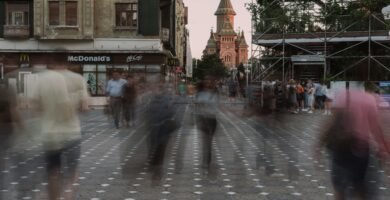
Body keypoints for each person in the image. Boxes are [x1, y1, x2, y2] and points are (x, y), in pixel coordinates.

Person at [314, 83, 390, 200]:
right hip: (361, 149)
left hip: (340, 147)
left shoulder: (343, 96)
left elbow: (331, 122)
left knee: (339, 189)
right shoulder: (370, 100)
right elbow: (376, 128)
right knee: (360, 187)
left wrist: (318, 145)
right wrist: (383, 151)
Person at [31, 64, 89, 200]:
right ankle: (68, 194)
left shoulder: (42, 79)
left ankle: (54, 197)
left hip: (50, 133)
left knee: (53, 171)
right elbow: (85, 107)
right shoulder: (77, 78)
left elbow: (34, 108)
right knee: (72, 171)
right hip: (72, 132)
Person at [195, 76, 219, 176]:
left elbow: (217, 107)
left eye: (210, 82)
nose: (208, 84)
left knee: (208, 141)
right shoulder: (200, 94)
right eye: (206, 82)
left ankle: (207, 160)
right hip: (204, 120)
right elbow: (196, 106)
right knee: (206, 141)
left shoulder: (215, 94)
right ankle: (206, 161)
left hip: (212, 120)